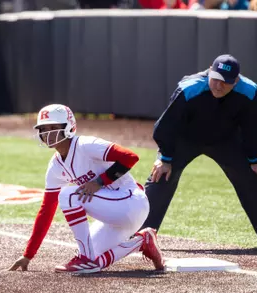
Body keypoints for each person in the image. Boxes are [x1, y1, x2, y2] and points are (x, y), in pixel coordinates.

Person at [140, 54, 257, 248]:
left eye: (225, 82)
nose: (218, 85)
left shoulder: (249, 92)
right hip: (185, 138)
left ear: (236, 81)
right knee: (162, 175)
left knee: (253, 175)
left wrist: (253, 159)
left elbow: (254, 127)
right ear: (210, 70)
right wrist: (165, 158)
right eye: (215, 79)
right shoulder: (189, 88)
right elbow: (166, 126)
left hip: (225, 140)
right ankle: (138, 234)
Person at [8, 104, 165, 273]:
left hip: (132, 203)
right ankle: (142, 241)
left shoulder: (86, 144)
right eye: (43, 129)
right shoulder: (55, 166)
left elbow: (130, 157)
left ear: (68, 127)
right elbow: (46, 210)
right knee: (93, 255)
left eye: (53, 127)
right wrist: (28, 255)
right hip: (115, 215)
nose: (48, 133)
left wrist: (99, 181)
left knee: (68, 195)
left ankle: (86, 258)